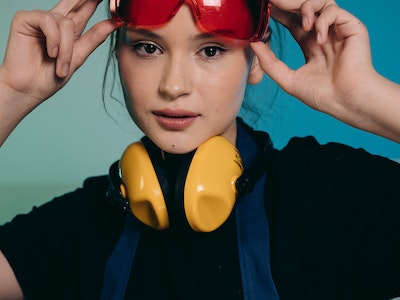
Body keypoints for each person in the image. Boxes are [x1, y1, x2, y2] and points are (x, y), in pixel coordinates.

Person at [0, 0, 399, 299]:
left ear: (256, 59)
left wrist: (365, 98)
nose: (174, 86)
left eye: (210, 50)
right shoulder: (86, 224)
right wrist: (11, 94)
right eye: (148, 48)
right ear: (117, 53)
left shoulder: (327, 196)